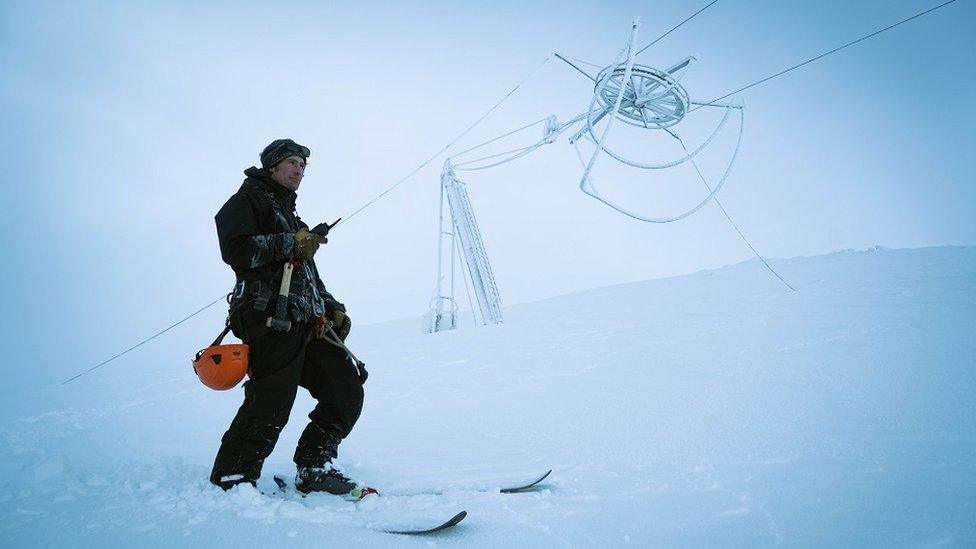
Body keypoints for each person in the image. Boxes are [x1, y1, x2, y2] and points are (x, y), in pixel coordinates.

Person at [210, 138, 369, 496]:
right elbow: (237, 250)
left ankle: (315, 465)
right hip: (270, 318)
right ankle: (234, 475)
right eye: (293, 162)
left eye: (302, 165)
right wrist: (289, 243)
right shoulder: (247, 200)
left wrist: (331, 308)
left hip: (307, 321)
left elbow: (306, 275)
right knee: (272, 397)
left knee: (345, 387)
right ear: (272, 166)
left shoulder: (292, 218)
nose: (299, 169)